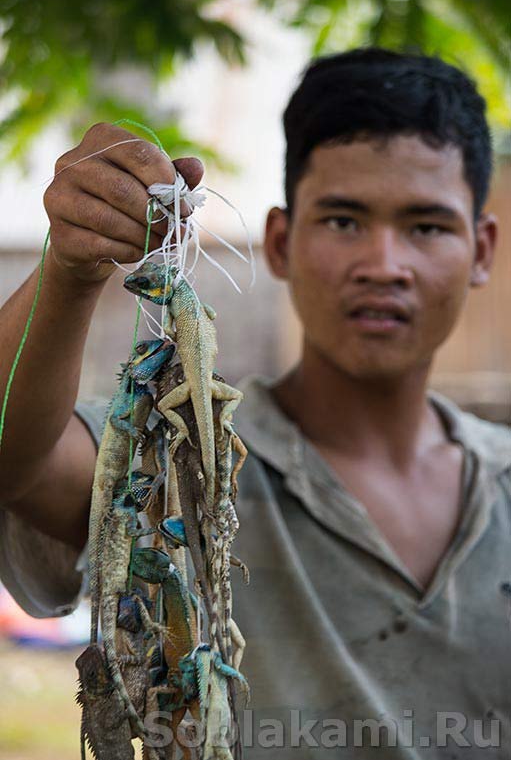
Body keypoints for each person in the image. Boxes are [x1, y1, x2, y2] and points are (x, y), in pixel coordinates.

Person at [0, 47, 509, 757]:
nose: (383, 264)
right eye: (342, 220)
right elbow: (14, 460)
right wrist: (69, 269)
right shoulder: (179, 453)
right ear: (278, 241)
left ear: (481, 249)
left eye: (425, 226)